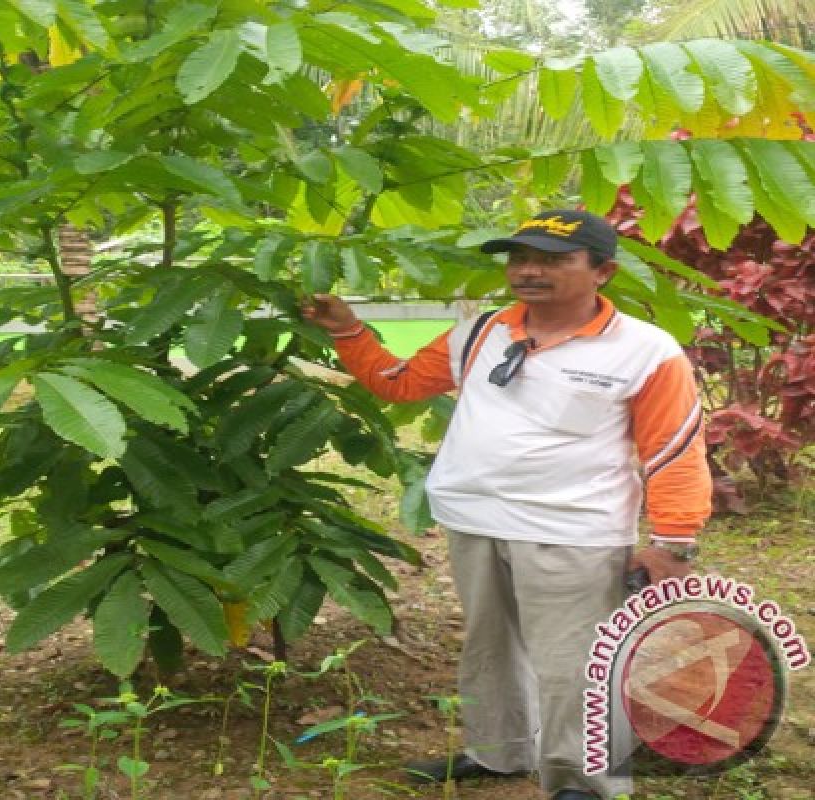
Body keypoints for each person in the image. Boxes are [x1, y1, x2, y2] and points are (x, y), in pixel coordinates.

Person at [302, 210, 711, 800]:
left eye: (552, 259)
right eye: (519, 258)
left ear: (604, 271)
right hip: (474, 520)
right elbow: (399, 382)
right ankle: (498, 753)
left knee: (576, 660)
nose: (528, 271)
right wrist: (347, 331)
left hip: (571, 531)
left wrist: (674, 542)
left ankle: (586, 781)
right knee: (489, 646)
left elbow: (673, 451)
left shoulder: (644, 352)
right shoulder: (483, 330)